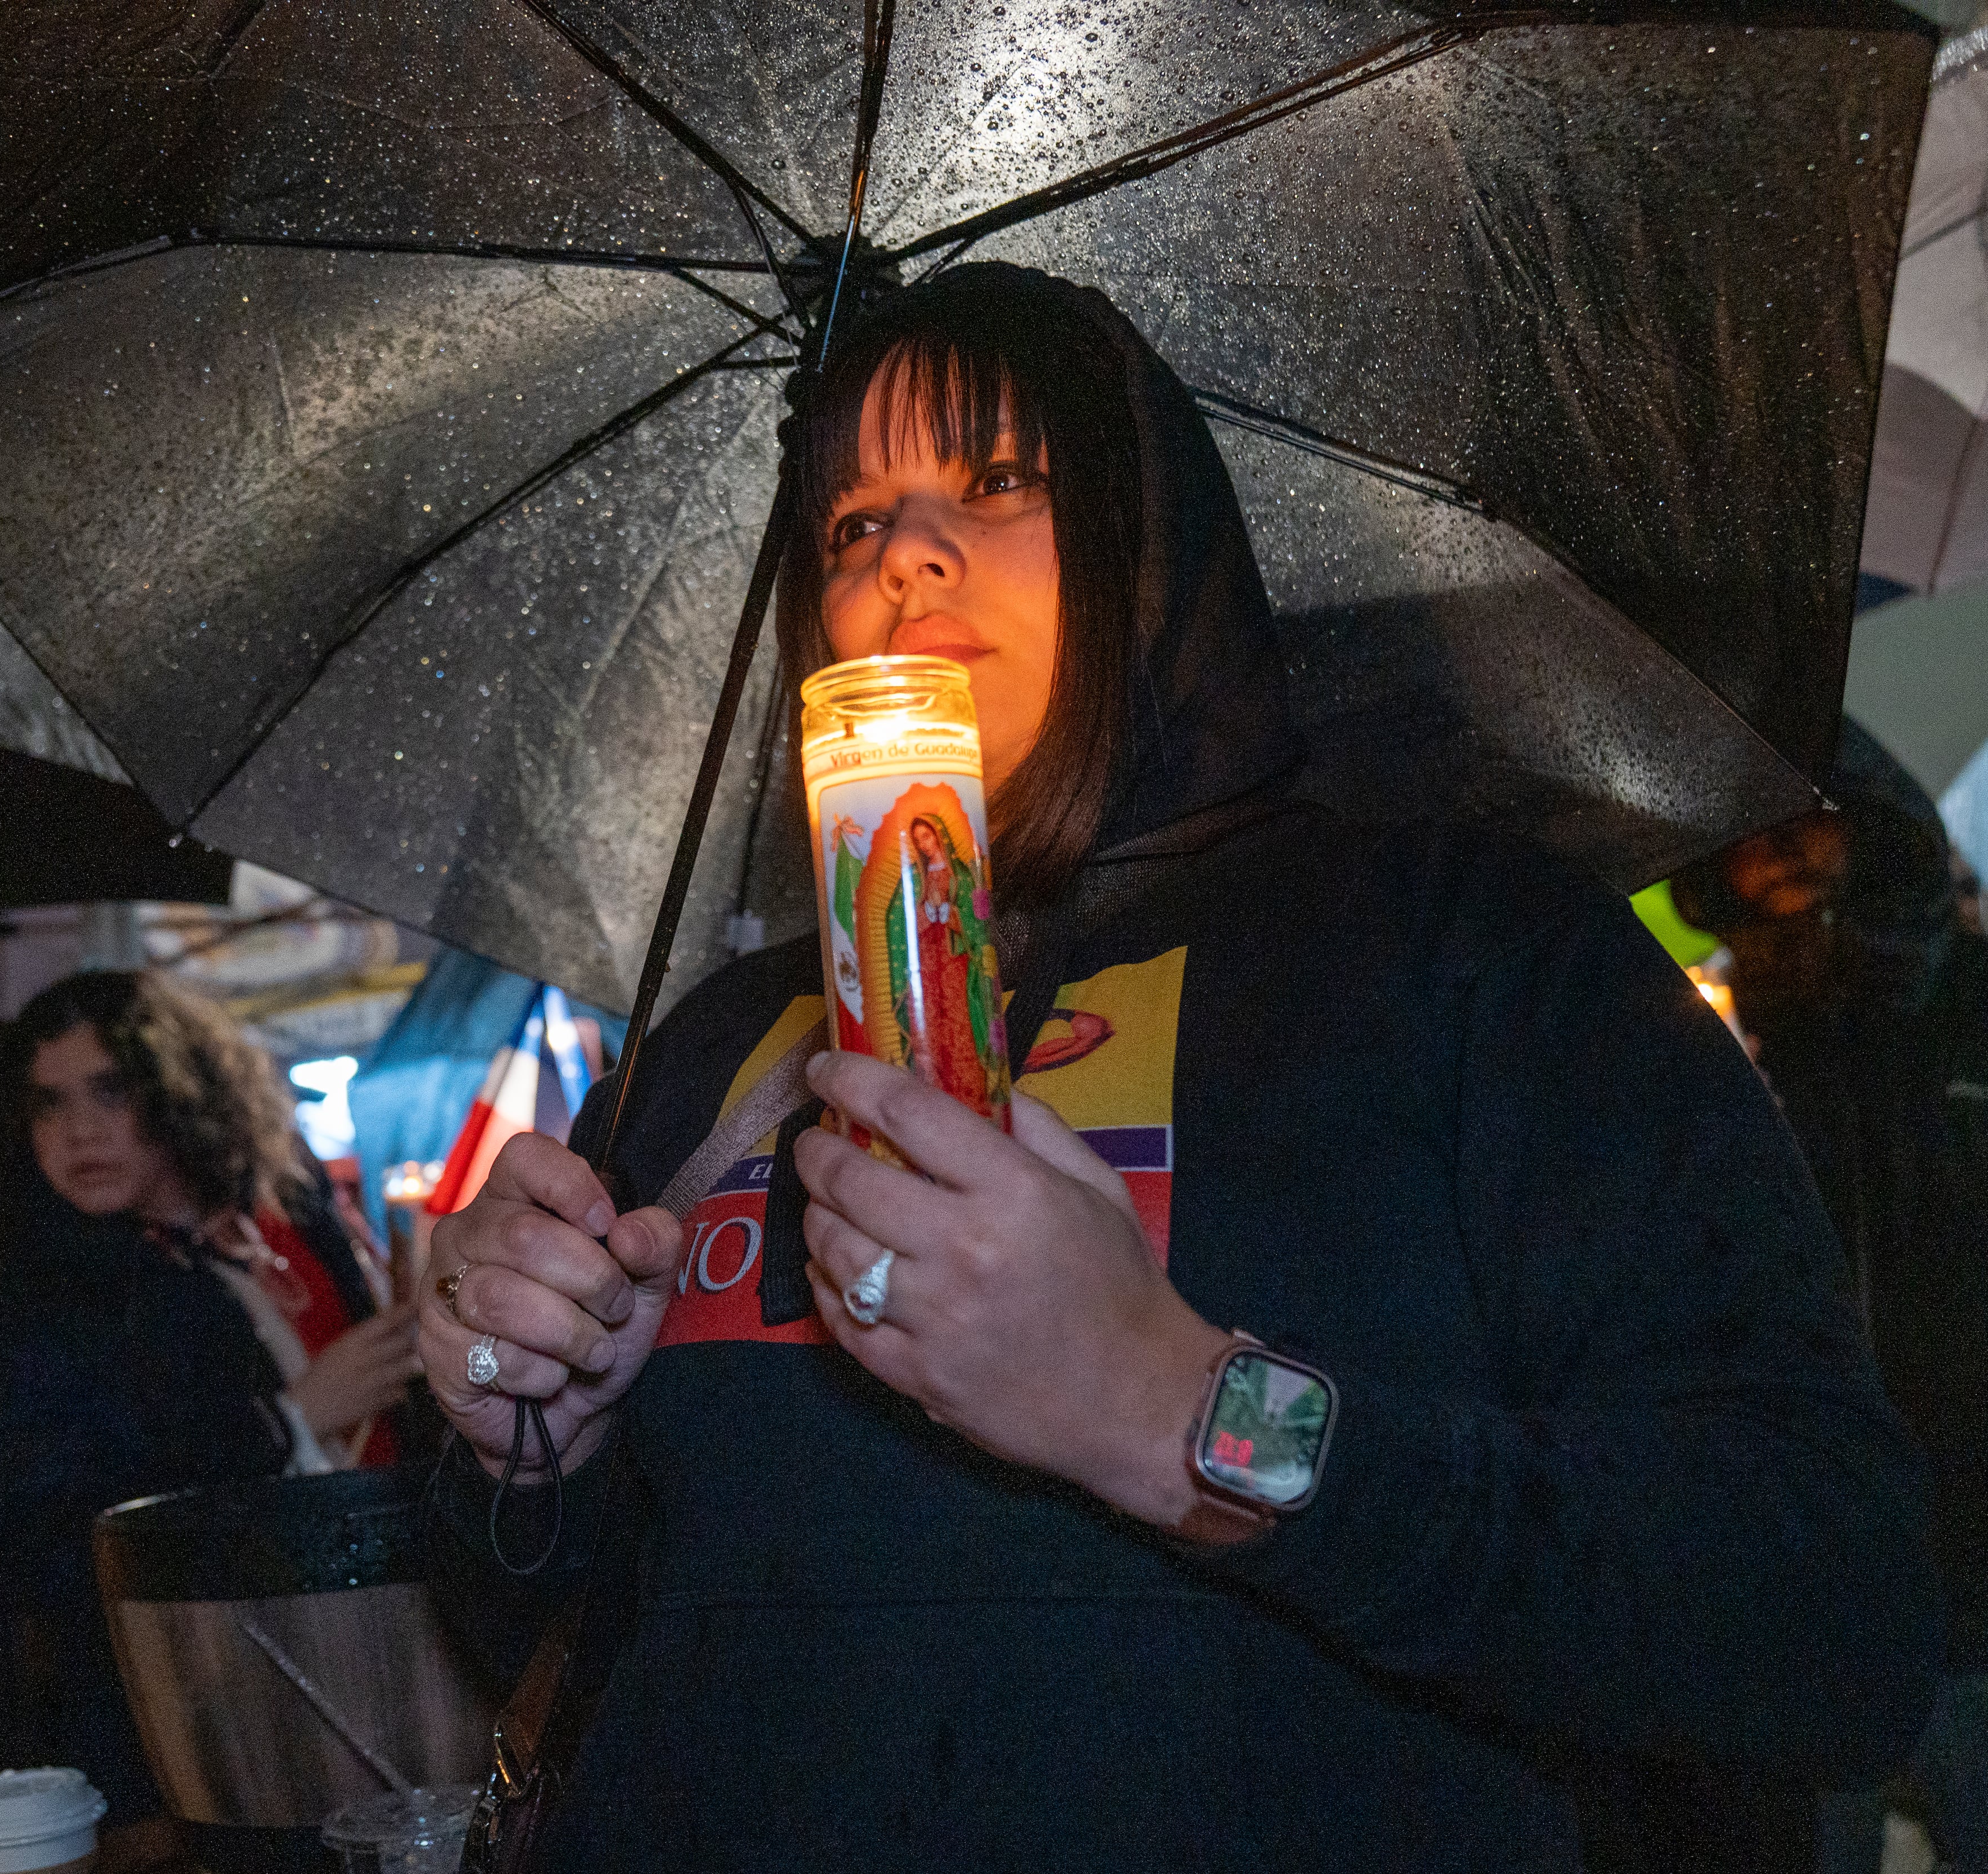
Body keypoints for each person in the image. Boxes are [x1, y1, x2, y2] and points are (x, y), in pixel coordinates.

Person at [421, 266, 1941, 1871]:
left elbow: (1821, 1607)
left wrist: (1175, 1408)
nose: (906, 554)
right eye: (854, 521)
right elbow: (573, 1609)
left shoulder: (1468, 949)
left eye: (999, 480)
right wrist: (537, 1437)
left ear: (1164, 545)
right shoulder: (722, 1044)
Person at [0, 969, 418, 1855]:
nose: (80, 1130)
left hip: (395, 1642)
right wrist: (287, 1423)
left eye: (110, 1089)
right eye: (49, 1104)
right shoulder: (43, 1308)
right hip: (214, 1722)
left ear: (178, 1090)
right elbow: (51, 1543)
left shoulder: (287, 1218)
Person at [1673, 726, 1988, 1872]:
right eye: (1748, 836)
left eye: (1805, 818)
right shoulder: (1708, 1044)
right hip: (1807, 1582)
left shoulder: (1965, 1007)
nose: (1779, 855)